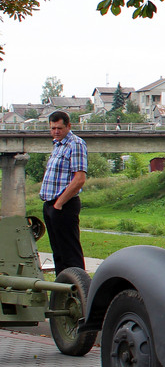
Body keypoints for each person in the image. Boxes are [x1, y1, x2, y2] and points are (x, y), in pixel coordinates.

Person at [40, 110, 88, 274]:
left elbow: (79, 179)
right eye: (53, 128)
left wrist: (59, 204)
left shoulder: (75, 144)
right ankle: (61, 294)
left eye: (59, 128)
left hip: (64, 205)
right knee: (58, 254)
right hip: (50, 205)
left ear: (69, 126)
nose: (56, 132)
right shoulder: (57, 145)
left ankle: (78, 291)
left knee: (70, 254)